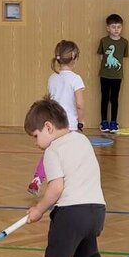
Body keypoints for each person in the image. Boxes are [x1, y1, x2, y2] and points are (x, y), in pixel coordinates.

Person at [23, 97, 116, 257]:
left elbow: (56, 188)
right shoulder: (82, 140)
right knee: (86, 253)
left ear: (48, 127)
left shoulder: (52, 151)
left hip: (70, 215)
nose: (36, 143)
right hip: (96, 211)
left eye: (35, 136)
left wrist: (38, 210)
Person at [28, 40, 85, 196]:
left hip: (53, 125)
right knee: (71, 154)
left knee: (50, 153)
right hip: (69, 125)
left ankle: (37, 179)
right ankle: (70, 184)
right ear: (75, 58)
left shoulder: (52, 78)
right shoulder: (76, 79)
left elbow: (50, 101)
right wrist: (81, 122)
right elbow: (79, 104)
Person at [97, 13, 128, 133]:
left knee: (114, 98)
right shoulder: (103, 41)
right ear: (108, 28)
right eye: (113, 27)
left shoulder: (124, 42)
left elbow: (122, 58)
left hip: (117, 76)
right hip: (104, 75)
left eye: (119, 27)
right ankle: (104, 121)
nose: (116, 29)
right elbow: (101, 56)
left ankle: (114, 121)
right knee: (104, 98)